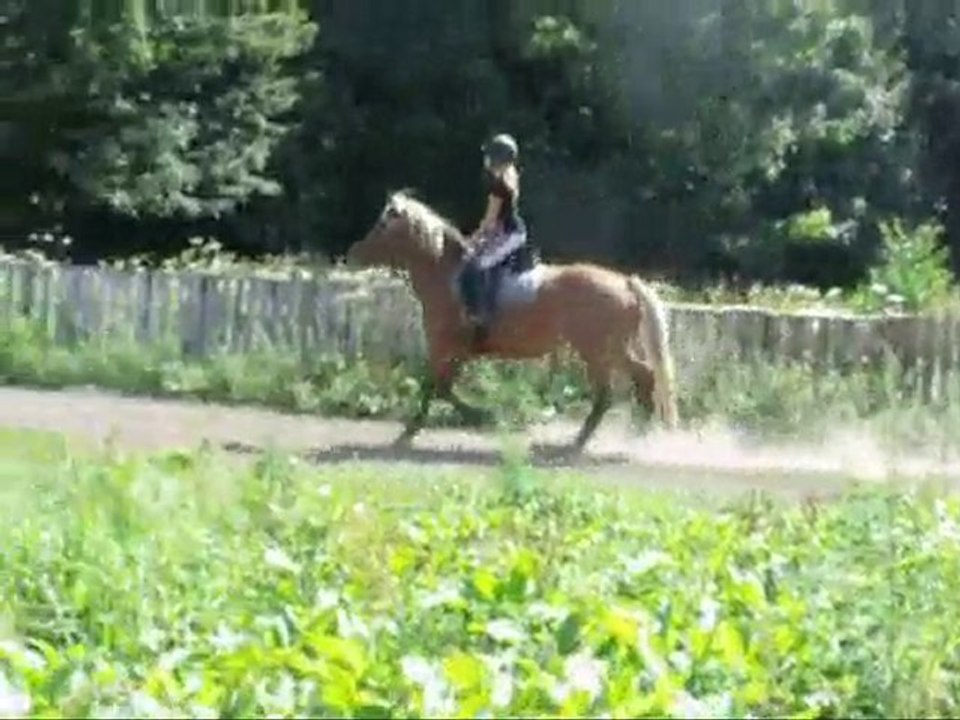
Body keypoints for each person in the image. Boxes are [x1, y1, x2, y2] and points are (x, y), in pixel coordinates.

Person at [458, 133, 533, 345]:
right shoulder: (510, 173)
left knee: (475, 267)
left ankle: (482, 318)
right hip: (507, 231)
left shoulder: (498, 186)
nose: (486, 161)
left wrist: (472, 241)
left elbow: (489, 221)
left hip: (510, 235)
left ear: (497, 159)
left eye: (489, 156)